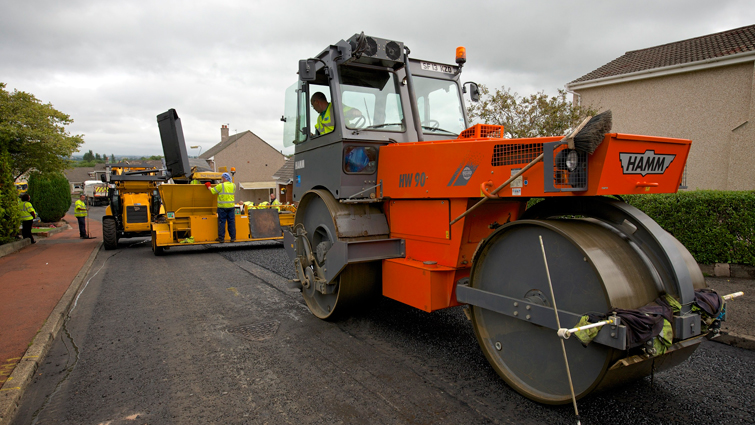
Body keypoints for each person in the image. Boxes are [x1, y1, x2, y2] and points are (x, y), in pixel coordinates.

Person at [208, 172, 236, 243]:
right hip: (231, 207)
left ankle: (221, 238)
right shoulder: (233, 185)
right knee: (231, 222)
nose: (221, 179)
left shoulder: (221, 185)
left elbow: (213, 191)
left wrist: (208, 186)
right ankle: (233, 237)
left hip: (222, 207)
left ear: (224, 178)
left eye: (222, 178)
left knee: (222, 222)